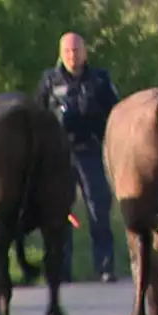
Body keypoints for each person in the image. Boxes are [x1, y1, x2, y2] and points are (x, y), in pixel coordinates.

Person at [35, 32, 121, 283]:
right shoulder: (49, 81)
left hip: (90, 152)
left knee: (98, 208)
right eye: (68, 51)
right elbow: (37, 117)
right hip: (58, 155)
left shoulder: (100, 80)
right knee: (58, 211)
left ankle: (104, 267)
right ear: (61, 54)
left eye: (77, 50)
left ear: (85, 52)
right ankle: (61, 270)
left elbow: (115, 115)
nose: (73, 56)